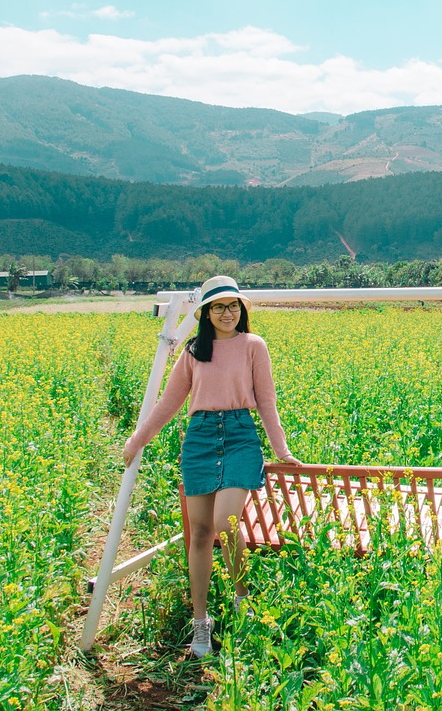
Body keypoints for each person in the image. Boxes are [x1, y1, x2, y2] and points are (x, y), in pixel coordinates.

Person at [122, 275, 300, 658]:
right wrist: (137, 440)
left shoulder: (254, 346)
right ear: (206, 312)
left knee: (226, 522)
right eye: (218, 306)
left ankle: (242, 596)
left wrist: (281, 451)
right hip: (200, 439)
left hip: (240, 437)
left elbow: (266, 402)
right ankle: (201, 623)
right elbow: (169, 404)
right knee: (200, 533)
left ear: (242, 309)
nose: (227, 312)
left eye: (233, 305)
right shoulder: (193, 352)